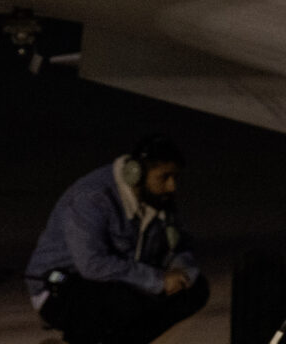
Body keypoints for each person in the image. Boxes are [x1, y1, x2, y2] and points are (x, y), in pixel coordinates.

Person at [27, 133, 209, 344]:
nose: (172, 187)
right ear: (136, 174)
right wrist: (158, 280)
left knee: (195, 291)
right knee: (124, 300)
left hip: (119, 284)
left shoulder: (159, 199)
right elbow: (92, 264)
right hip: (59, 288)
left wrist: (181, 272)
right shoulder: (92, 197)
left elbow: (178, 245)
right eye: (164, 177)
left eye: (175, 178)